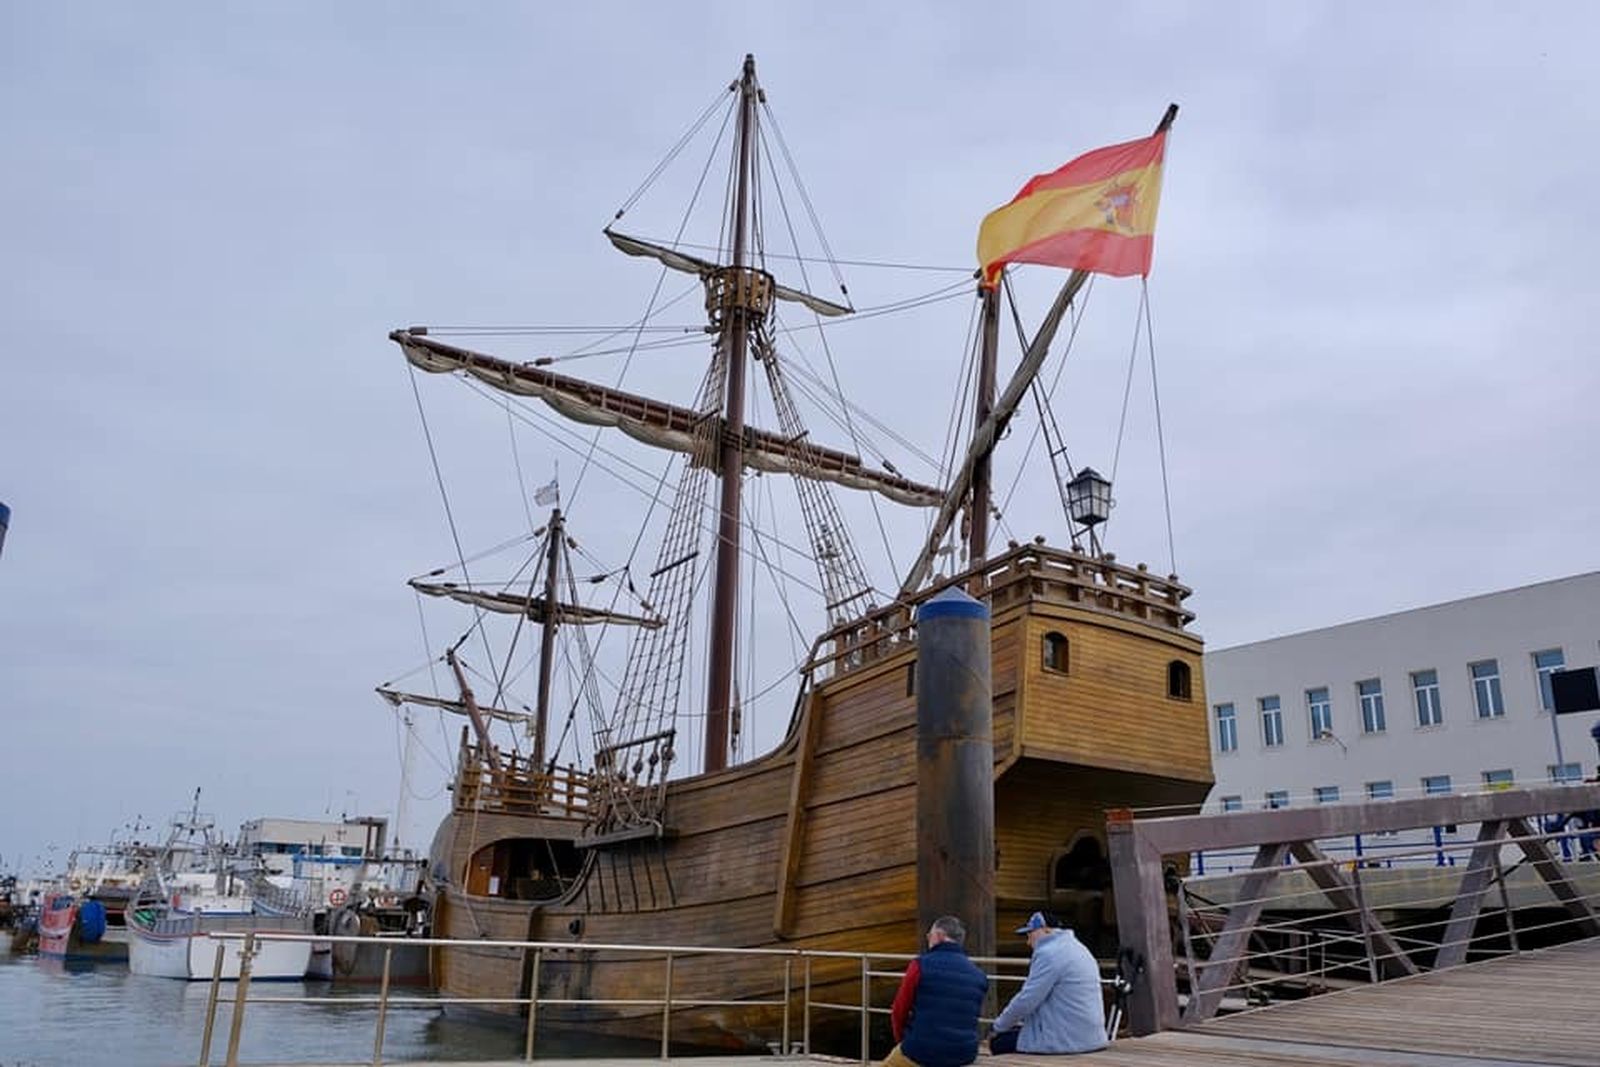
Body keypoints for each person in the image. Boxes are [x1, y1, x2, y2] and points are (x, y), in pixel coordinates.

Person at [989, 911, 1108, 1055]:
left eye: (1030, 934)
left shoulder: (1049, 953)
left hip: (1065, 1041)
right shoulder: (1080, 948)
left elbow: (1027, 999)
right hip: (1091, 1038)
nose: (1028, 942)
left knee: (998, 1042)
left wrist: (998, 1026)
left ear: (1045, 930)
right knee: (1015, 1034)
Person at [885, 915, 989, 1067]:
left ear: (939, 936)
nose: (928, 939)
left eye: (929, 935)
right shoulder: (979, 975)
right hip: (964, 1053)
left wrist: (903, 1041)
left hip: (924, 1051)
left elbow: (899, 1010)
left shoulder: (920, 965)